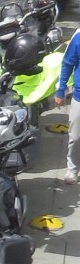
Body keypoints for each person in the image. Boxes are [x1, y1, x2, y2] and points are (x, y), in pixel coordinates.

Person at [53, 26, 80, 184]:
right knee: (75, 137)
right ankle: (72, 168)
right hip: (79, 97)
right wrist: (60, 90)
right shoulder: (78, 36)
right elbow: (68, 63)